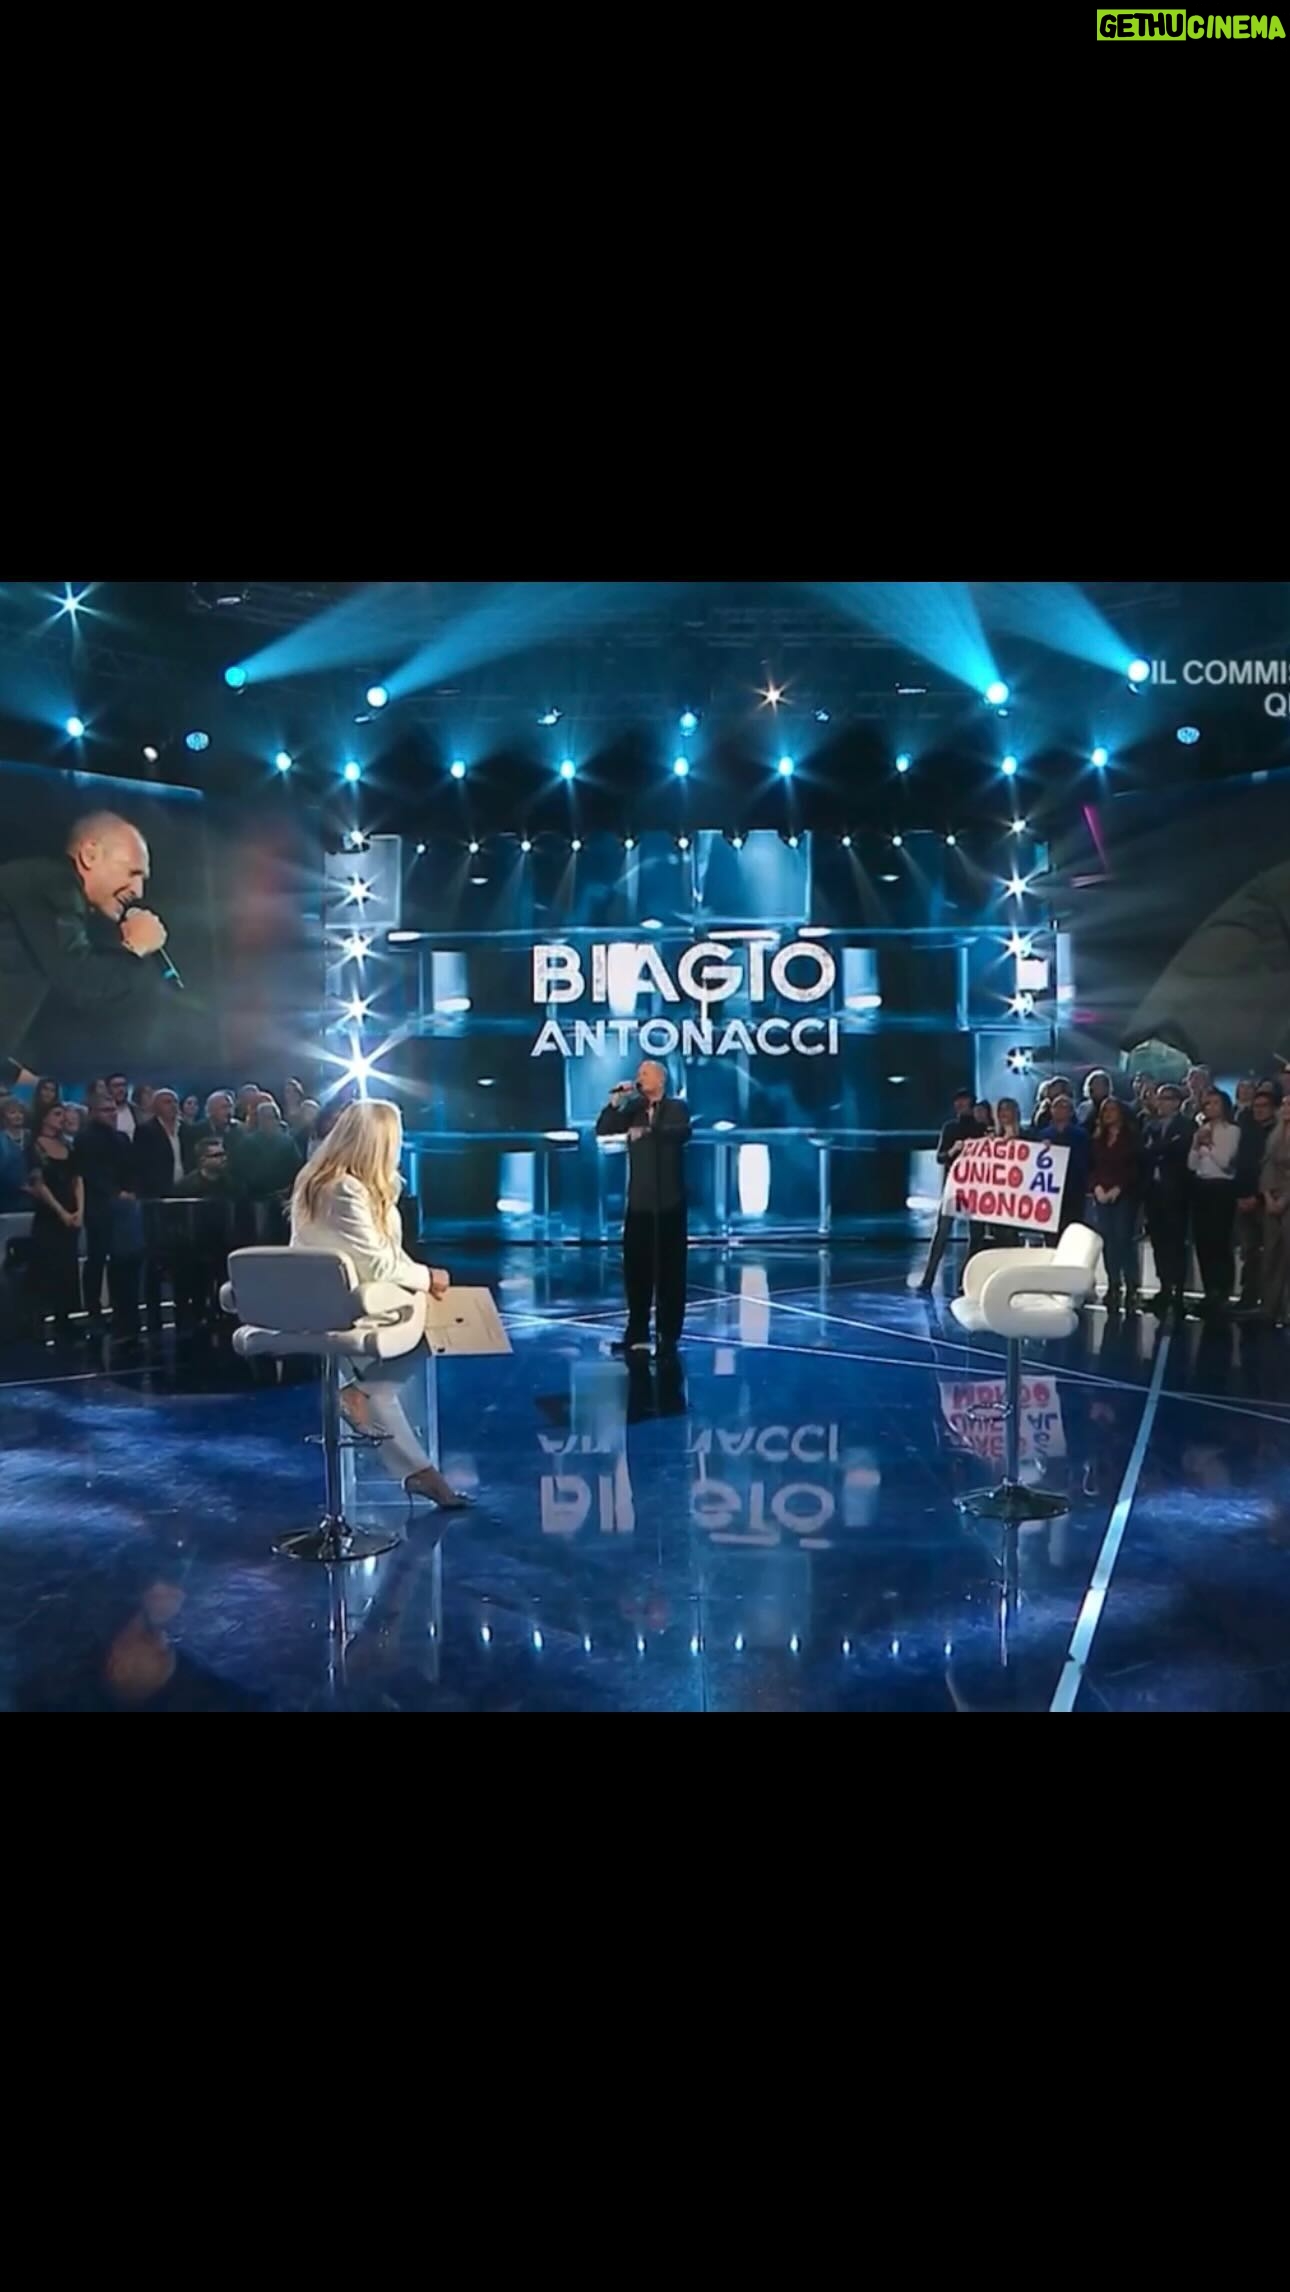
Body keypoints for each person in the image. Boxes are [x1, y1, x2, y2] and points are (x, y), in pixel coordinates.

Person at [290, 1099, 462, 1507]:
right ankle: (364, 1396)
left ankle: (420, 1474)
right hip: (344, 1302)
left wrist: (422, 1275)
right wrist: (427, 1278)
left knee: (381, 1389)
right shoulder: (343, 1188)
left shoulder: (326, 1179)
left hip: (340, 1295)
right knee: (430, 1321)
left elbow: (386, 1255)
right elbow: (379, 1263)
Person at [0, 811, 168, 1084]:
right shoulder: (55, 884)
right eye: (133, 872)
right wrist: (134, 947)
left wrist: (13, 1074)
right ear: (90, 855)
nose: (138, 891)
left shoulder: (43, 889)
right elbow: (81, 982)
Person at [595, 1060, 694, 1354]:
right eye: (638, 1074)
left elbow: (680, 1132)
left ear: (661, 1080)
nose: (639, 1078)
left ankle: (668, 1334)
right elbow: (604, 1128)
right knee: (636, 1272)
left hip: (669, 1205)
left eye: (645, 1074)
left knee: (670, 1272)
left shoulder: (676, 1107)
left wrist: (648, 1130)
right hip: (639, 1204)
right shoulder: (633, 1109)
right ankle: (636, 1331)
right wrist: (615, 1103)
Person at [76, 1088, 142, 1338]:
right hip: (98, 1208)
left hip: (123, 1210)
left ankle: (121, 1311)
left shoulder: (122, 1138)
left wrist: (130, 1190)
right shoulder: (85, 1138)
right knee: (96, 1259)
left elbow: (132, 1168)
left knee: (122, 1260)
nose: (112, 1114)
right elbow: (89, 1173)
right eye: (106, 1110)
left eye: (114, 1110)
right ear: (93, 1113)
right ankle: (94, 1312)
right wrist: (115, 1192)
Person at [914, 1088, 985, 1293]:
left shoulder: (982, 1127)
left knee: (976, 1235)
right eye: (957, 1102)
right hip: (954, 1187)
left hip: (978, 1189)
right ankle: (928, 1278)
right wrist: (953, 1150)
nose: (960, 1105)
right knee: (942, 1232)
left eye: (964, 1101)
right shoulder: (950, 1127)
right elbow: (940, 1157)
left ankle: (966, 1282)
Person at [24, 1102, 83, 1341]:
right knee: (49, 1267)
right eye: (57, 1114)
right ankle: (41, 1324)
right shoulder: (35, 1147)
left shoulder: (68, 1145)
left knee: (68, 1268)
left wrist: (79, 1210)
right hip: (49, 1216)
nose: (63, 1118)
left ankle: (66, 1319)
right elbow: (39, 1185)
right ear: (45, 1118)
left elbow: (78, 1179)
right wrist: (62, 1212)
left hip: (71, 1213)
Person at [172, 1137, 236, 1326]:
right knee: (195, 1286)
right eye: (217, 1155)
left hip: (224, 1243)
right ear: (202, 1160)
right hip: (194, 1247)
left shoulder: (233, 1185)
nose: (223, 1158)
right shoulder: (185, 1187)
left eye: (223, 1154)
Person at [1142, 1082, 1192, 1320]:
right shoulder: (1150, 1126)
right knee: (1159, 1243)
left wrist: (1158, 1149)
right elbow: (1144, 1154)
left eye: (1166, 1098)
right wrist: (1159, 1149)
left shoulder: (1186, 1125)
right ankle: (1164, 1288)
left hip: (1177, 1193)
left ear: (1176, 1102)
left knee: (1176, 1244)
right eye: (1159, 1098)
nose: (1161, 1103)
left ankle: (1179, 1292)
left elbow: (1177, 1151)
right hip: (1154, 1193)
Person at [1188, 1086, 1240, 1311]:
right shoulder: (1201, 1130)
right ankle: (1209, 1290)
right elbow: (1191, 1165)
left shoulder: (1233, 1131)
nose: (1210, 1107)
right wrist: (1195, 1144)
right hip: (1201, 1187)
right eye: (1207, 1103)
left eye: (1215, 1103)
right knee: (1203, 1241)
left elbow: (1225, 1162)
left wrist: (1207, 1145)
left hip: (1222, 1188)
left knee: (1219, 1240)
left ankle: (1222, 1291)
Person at [1089, 1097, 1141, 1312]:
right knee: (1108, 1241)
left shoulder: (1132, 1138)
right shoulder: (1097, 1139)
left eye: (1112, 1109)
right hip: (1101, 1194)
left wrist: (1119, 1188)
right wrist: (1096, 1187)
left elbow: (1136, 1167)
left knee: (1124, 1240)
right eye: (1105, 1110)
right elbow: (1091, 1166)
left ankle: (1132, 1286)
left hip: (1125, 1195)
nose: (1108, 1113)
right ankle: (1113, 1284)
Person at [1233, 1084, 1278, 1312]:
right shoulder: (1247, 1132)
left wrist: (1258, 1197)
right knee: (1249, 1252)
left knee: (1269, 1253)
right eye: (1256, 1106)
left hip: (1268, 1201)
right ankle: (1248, 1297)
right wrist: (1240, 1196)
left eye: (1264, 1106)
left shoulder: (1277, 1135)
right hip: (1243, 1199)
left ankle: (1270, 1302)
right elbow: (1241, 1165)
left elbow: (1271, 1171)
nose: (1259, 1110)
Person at [1035, 1094, 1091, 1232]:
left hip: (1073, 1189)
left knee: (1072, 1229)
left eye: (1064, 1107)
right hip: (1049, 1191)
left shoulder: (1081, 1134)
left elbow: (1085, 1161)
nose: (1060, 1110)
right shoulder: (1042, 1134)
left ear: (1071, 1112)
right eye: (1056, 1106)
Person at [1259, 1097, 1290, 1328]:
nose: (1286, 1108)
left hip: (1287, 1198)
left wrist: (1285, 1199)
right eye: (1285, 1105)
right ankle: (1270, 1307)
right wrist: (1269, 1197)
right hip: (1273, 1198)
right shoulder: (1275, 1135)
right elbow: (1267, 1166)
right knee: (1272, 1254)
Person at [185, 1089, 239, 1169]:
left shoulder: (238, 1130)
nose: (229, 1112)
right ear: (211, 1110)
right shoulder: (194, 1132)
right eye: (224, 1107)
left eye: (230, 1106)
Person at [0, 1095, 30, 1211]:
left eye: (20, 1112)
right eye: (12, 1113)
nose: (18, 1116)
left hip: (33, 1199)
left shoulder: (31, 1136)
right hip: (6, 1200)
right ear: (3, 1117)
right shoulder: (1, 1140)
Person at [106, 1074, 135, 1138]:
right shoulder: (102, 1114)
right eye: (116, 1086)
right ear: (108, 1089)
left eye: (124, 1085)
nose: (121, 1089)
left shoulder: (138, 1111)